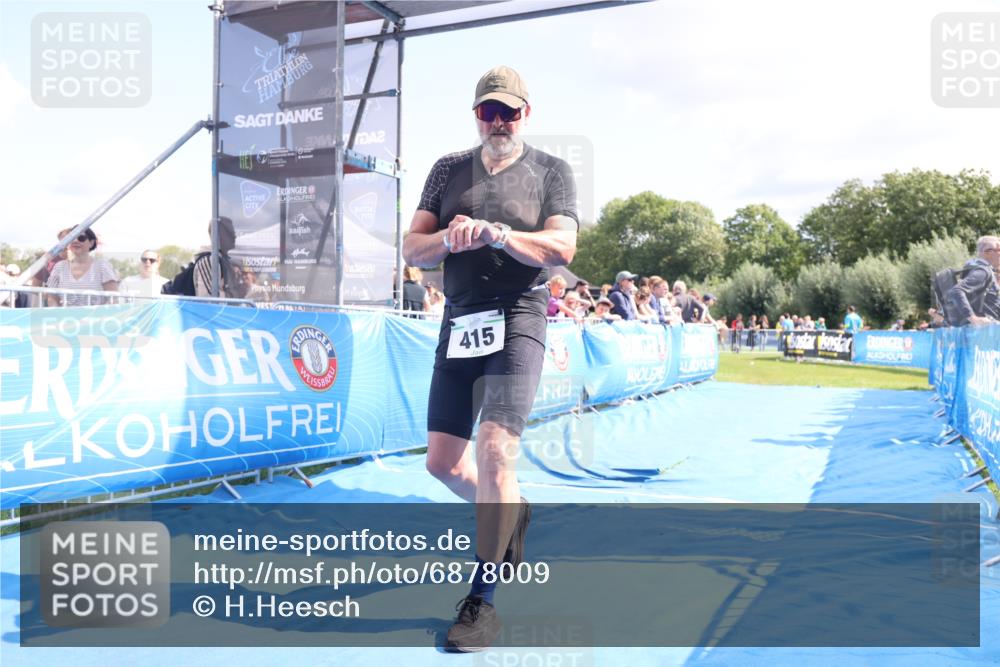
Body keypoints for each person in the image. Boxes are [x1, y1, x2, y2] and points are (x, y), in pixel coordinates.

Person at [400, 65, 578, 652]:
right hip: (460, 319)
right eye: (488, 112)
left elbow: (561, 247)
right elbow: (412, 247)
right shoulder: (448, 169)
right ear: (476, 115)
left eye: (509, 112)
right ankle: (513, 515)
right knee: (443, 465)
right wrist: (447, 240)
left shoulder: (552, 171)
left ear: (528, 113)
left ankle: (483, 602)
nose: (498, 122)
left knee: (496, 450)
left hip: (520, 316)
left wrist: (499, 234)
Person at [45, 228, 118, 306]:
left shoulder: (102, 266)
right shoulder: (59, 267)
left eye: (81, 238)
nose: (76, 241)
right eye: (72, 238)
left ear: (91, 243)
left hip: (95, 316)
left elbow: (113, 298)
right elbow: (52, 297)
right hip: (67, 317)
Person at [947, 235, 1000, 326]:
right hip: (986, 332)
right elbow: (956, 291)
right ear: (988, 252)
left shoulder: (974, 268)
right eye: (999, 250)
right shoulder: (983, 271)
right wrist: (973, 318)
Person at [193, 218, 247, 299]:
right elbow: (209, 298)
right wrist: (236, 296)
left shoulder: (224, 261)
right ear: (219, 235)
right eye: (230, 233)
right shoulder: (209, 261)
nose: (234, 236)